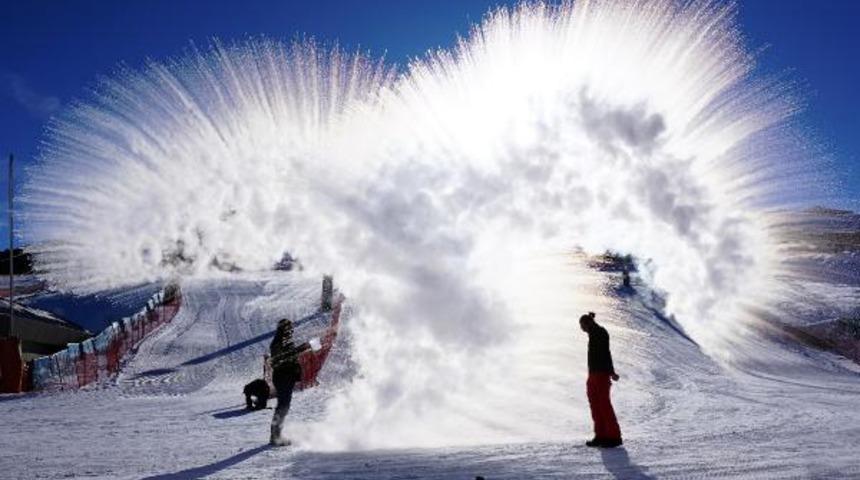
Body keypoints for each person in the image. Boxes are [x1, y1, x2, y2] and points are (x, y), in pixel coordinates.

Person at [579, 311, 623, 448]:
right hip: (593, 374)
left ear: (588, 324)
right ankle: (601, 435)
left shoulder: (600, 332)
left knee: (604, 404)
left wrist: (611, 372)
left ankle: (614, 437)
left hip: (601, 374)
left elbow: (606, 353)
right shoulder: (593, 333)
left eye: (582, 326)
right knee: (595, 405)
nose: (582, 329)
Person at [268, 318, 311, 446]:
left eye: (291, 328)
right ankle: (275, 436)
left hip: (288, 376)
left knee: (284, 406)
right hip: (282, 377)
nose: (291, 330)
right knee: (283, 406)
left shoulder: (286, 341)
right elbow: (280, 359)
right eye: (288, 328)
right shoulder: (277, 343)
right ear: (283, 329)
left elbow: (289, 355)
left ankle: (277, 434)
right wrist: (300, 349)